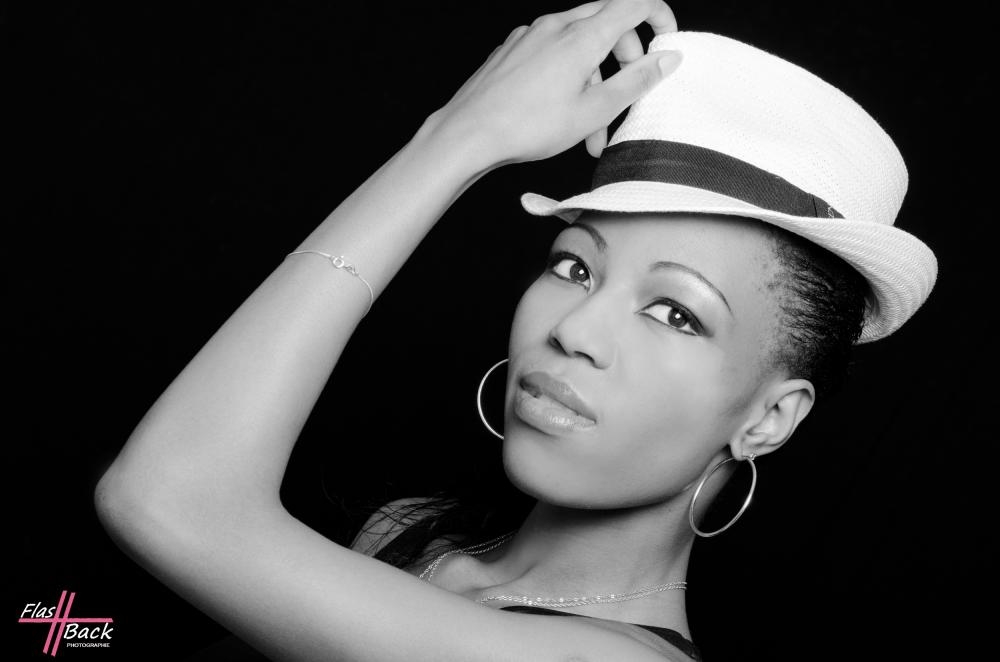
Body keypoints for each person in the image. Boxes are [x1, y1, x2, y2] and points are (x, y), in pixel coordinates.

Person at [94, 1, 937, 660]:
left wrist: (459, 137)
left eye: (675, 312)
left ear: (769, 418)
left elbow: (168, 500)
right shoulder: (408, 533)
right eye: (575, 267)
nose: (576, 329)